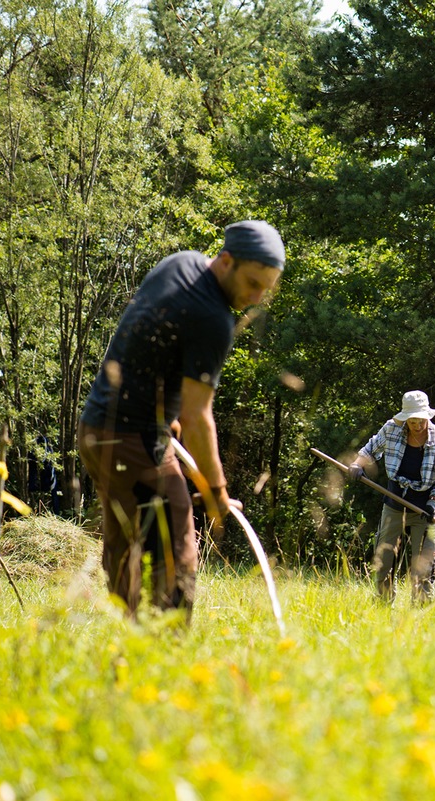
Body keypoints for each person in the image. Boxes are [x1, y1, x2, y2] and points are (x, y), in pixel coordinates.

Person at [78, 220, 285, 619]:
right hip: (133, 441)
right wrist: (217, 494)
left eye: (266, 289)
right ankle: (165, 649)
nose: (256, 297)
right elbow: (197, 416)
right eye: (252, 283)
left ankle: (133, 639)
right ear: (226, 261)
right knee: (177, 557)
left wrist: (166, 420)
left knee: (128, 547)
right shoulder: (214, 319)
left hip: (96, 427)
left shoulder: (179, 263)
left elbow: (145, 347)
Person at [347, 391, 435, 603]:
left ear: (428, 417)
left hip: (426, 509)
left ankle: (421, 613)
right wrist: (356, 465)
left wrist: (434, 501)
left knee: (423, 568)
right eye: (412, 421)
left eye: (421, 421)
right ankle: (383, 606)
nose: (417, 426)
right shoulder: (392, 429)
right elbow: (371, 449)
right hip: (394, 503)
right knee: (385, 561)